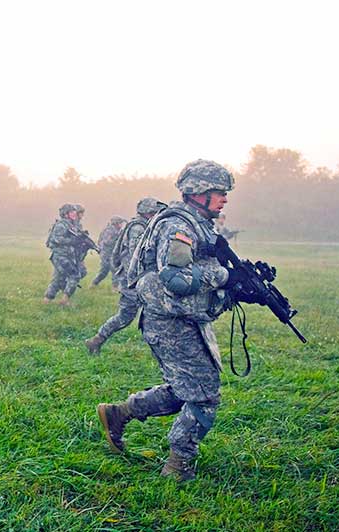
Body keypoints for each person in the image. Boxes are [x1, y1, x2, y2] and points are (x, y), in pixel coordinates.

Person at [96, 159, 238, 481]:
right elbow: (176, 279)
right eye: (219, 192)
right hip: (170, 322)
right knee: (204, 395)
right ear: (198, 192)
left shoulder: (199, 224)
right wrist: (223, 276)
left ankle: (119, 413)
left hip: (185, 319)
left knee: (184, 389)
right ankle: (178, 466)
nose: (225, 198)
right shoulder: (178, 226)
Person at [85, 198, 166, 354]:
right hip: (134, 282)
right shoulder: (137, 228)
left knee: (129, 316)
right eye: (155, 212)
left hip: (136, 280)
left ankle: (96, 340)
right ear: (149, 212)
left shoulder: (145, 226)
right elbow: (137, 256)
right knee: (135, 315)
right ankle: (97, 340)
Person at [43, 203, 92, 306]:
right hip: (61, 256)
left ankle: (47, 300)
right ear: (65, 214)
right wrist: (74, 240)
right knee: (75, 275)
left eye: (74, 211)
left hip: (67, 255)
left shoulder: (71, 225)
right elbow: (57, 239)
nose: (74, 213)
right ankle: (65, 300)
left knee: (58, 278)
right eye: (71, 212)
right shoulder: (61, 224)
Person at [91, 216, 127, 289]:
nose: (121, 225)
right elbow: (107, 242)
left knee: (110, 270)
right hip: (107, 254)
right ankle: (114, 287)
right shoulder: (110, 231)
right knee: (108, 271)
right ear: (116, 223)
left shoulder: (116, 231)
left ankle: (96, 284)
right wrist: (118, 238)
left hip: (110, 254)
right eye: (120, 223)